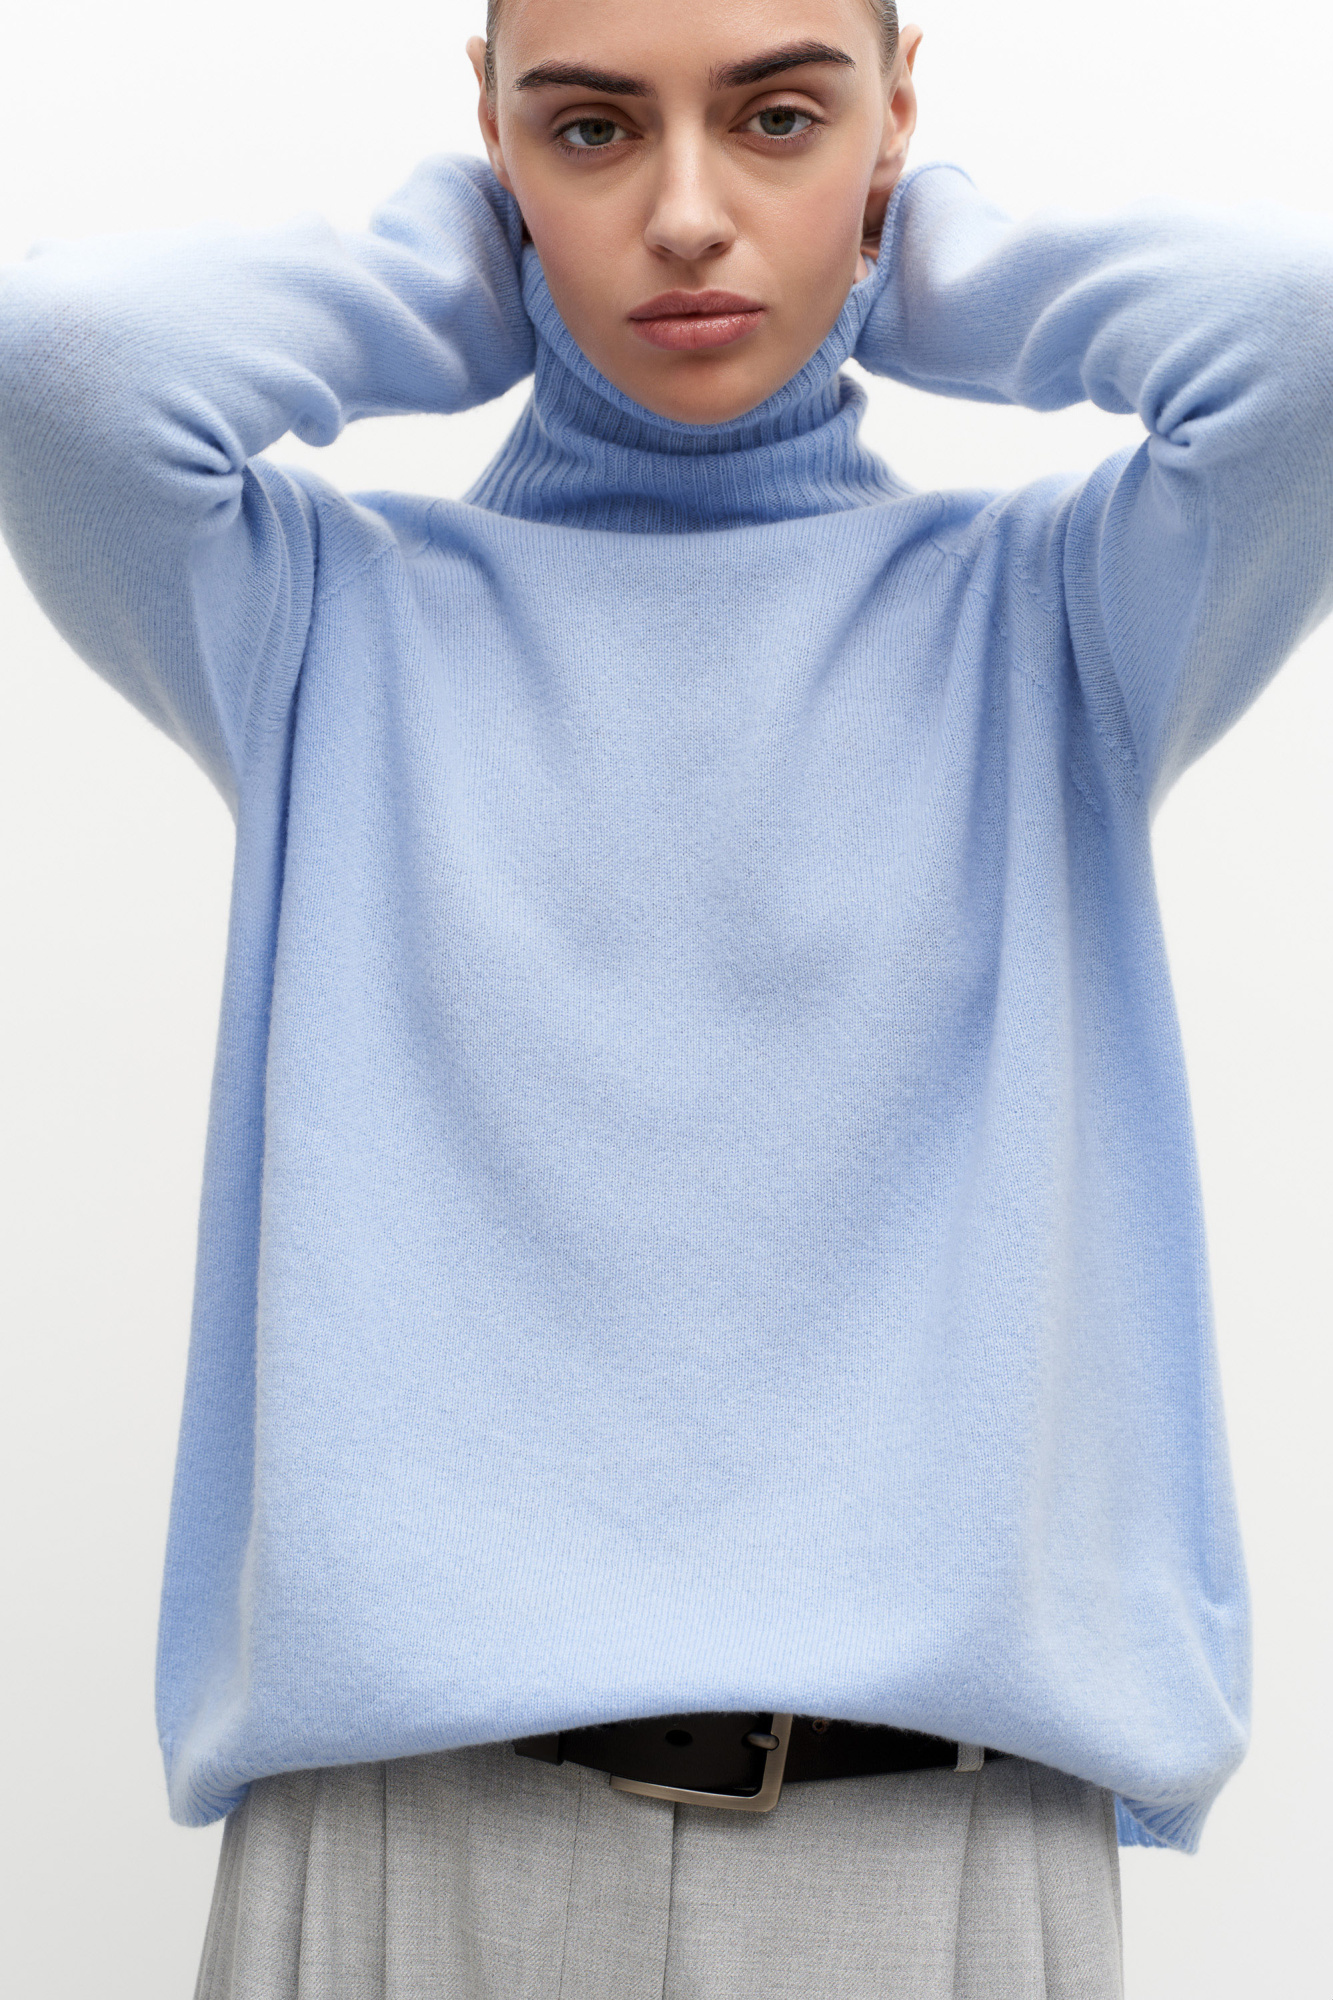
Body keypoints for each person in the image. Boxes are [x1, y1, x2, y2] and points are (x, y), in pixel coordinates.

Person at [1, 0, 1330, 1991]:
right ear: (491, 140)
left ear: (895, 117)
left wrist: (909, 253)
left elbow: (1301, 344)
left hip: (929, 1859)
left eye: (777, 116)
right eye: (592, 130)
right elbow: (66, 367)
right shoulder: (329, 623)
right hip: (403, 1847)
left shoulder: (1049, 622)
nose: (688, 214)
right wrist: (469, 282)